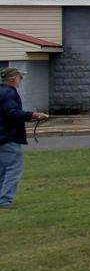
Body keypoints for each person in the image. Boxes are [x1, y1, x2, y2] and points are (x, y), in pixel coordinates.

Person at [1, 67, 49, 210]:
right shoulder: (9, 93)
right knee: (13, 168)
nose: (21, 80)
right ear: (13, 79)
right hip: (9, 136)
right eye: (20, 77)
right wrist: (33, 115)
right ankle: (5, 200)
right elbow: (12, 113)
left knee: (2, 169)